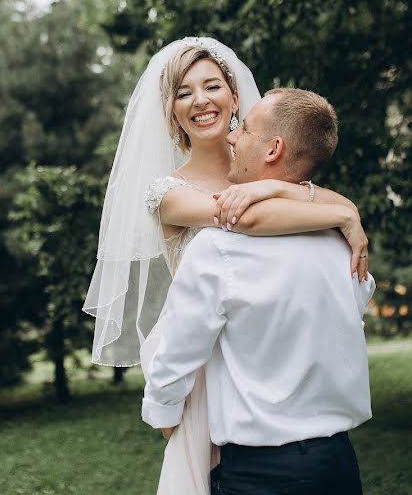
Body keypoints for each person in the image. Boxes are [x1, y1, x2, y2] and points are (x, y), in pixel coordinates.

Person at [83, 37, 369, 494]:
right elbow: (242, 219)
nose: (199, 100)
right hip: (205, 370)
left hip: (274, 352)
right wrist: (336, 210)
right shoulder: (169, 192)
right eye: (182, 92)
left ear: (235, 97)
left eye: (211, 85)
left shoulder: (265, 167)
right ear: (171, 111)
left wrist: (293, 194)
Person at [142, 88, 375, 494]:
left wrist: (165, 415)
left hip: (260, 475)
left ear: (274, 149)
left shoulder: (217, 248)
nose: (233, 136)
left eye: (245, 129)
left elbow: (179, 353)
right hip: (339, 466)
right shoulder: (345, 246)